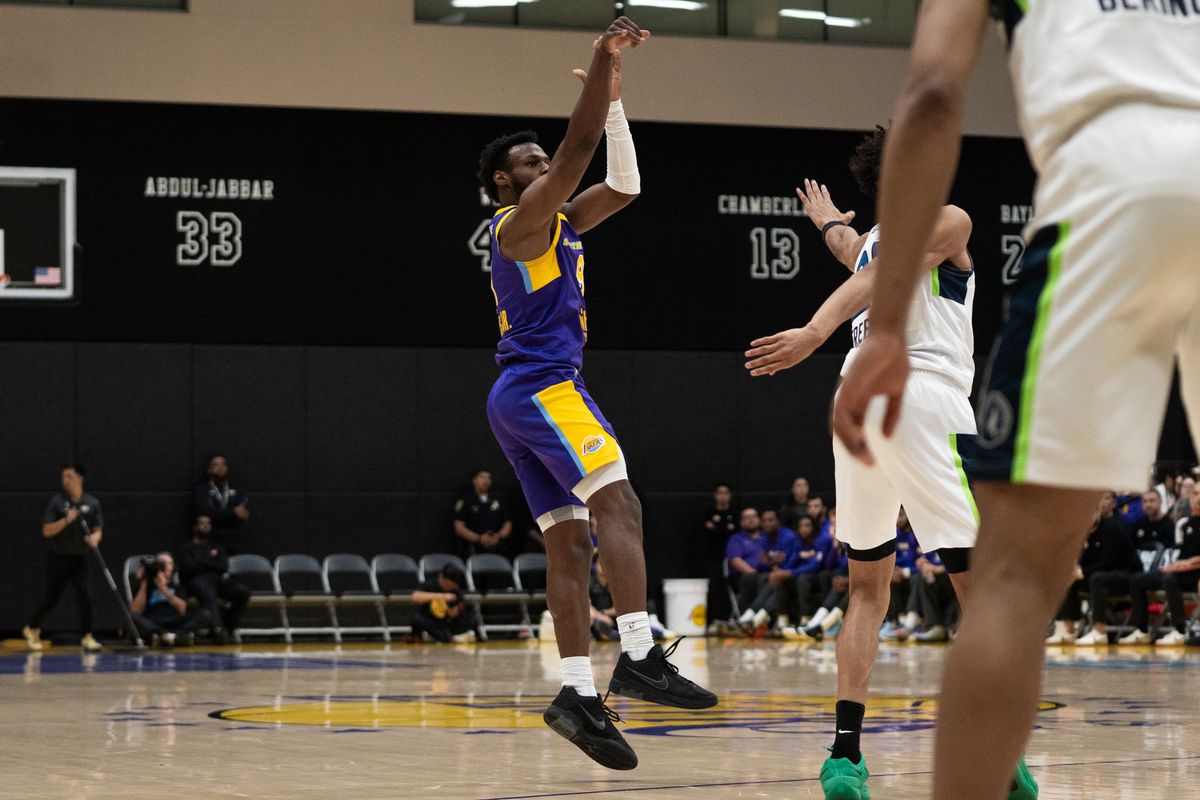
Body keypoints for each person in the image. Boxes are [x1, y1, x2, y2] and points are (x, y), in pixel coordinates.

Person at [830, 2, 1200, 797]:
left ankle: (865, 752)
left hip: (1114, 185)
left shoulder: (889, 235)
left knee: (1010, 579)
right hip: (933, 397)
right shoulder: (929, 227)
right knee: (961, 572)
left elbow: (930, 94)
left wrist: (873, 328)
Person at [745, 133, 1026, 798]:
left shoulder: (873, 234)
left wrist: (830, 223)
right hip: (921, 393)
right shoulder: (949, 219)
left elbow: (855, 255)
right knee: (981, 589)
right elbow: (876, 275)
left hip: (855, 400)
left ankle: (845, 758)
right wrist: (814, 331)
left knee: (868, 588)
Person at [477, 15, 714, 771]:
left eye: (543, 158)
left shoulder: (562, 224)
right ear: (503, 183)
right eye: (530, 161)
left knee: (571, 543)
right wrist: (599, 59)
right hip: (543, 387)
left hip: (521, 396)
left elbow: (626, 183)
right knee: (623, 504)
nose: (545, 164)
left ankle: (576, 693)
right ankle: (640, 651)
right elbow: (577, 156)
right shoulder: (517, 225)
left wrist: (612, 103)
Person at [24, 465, 104, 653]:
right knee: (52, 597)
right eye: (63, 477)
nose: (65, 480)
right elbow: (46, 530)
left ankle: (87, 636)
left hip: (80, 558)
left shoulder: (92, 503)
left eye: (69, 476)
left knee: (86, 596)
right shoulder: (57, 502)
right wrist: (67, 520)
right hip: (58, 558)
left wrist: (95, 538)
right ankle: (32, 628)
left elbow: (98, 528)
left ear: (80, 478)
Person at [1047, 493, 1141, 646]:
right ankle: (1067, 630)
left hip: (1127, 574)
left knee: (1095, 578)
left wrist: (1080, 572)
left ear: (1097, 512)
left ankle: (1099, 631)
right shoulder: (1081, 534)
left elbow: (1108, 563)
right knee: (1069, 578)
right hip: (1098, 575)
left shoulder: (1112, 528)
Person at [1121, 481, 1200, 646]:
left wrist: (1186, 564)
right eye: (1195, 494)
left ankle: (1180, 630)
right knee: (1138, 580)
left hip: (1195, 573)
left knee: (1170, 579)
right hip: (1183, 569)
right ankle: (1141, 630)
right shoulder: (1188, 523)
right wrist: (1178, 564)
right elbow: (1183, 553)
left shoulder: (1172, 524)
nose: (1197, 498)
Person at [177, 515, 250, 644]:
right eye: (202, 523)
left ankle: (227, 627)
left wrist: (201, 563)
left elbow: (223, 567)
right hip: (196, 582)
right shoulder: (186, 547)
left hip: (217, 581)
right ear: (195, 526)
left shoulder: (217, 547)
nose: (205, 526)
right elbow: (188, 568)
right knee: (207, 590)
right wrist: (210, 563)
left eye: (208, 523)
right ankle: (219, 630)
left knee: (242, 591)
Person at [129, 552, 207, 646]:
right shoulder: (146, 585)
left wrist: (163, 588)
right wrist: (143, 582)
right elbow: (136, 610)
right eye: (162, 563)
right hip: (153, 620)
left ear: (173, 567)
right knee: (131, 617)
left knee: (204, 614)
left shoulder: (176, 586)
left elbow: (182, 609)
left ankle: (166, 636)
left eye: (169, 563)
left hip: (174, 620)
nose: (165, 566)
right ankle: (169, 636)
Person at [193, 455, 250, 553]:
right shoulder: (202, 491)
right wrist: (232, 512)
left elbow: (242, 513)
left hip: (234, 540)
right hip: (211, 540)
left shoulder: (237, 490)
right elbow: (206, 513)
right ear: (209, 470)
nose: (221, 467)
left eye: (224, 464)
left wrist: (219, 513)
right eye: (216, 465)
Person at [453, 469, 513, 559]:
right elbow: (459, 527)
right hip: (472, 549)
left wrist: (498, 536)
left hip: (496, 548)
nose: (486, 481)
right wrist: (479, 538)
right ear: (474, 480)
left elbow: (507, 523)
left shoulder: (497, 501)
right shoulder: (466, 501)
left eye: (489, 478)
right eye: (482, 477)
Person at [410, 565, 479, 644]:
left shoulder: (455, 591)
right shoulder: (428, 585)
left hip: (447, 624)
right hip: (431, 622)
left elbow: (458, 607)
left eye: (450, 585)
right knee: (416, 619)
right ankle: (447, 638)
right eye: (446, 584)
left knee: (473, 619)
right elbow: (415, 597)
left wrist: (453, 611)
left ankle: (443, 637)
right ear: (441, 576)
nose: (448, 587)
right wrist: (442, 596)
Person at [703, 483, 739, 624]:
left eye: (726, 493)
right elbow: (710, 533)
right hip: (714, 556)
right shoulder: (709, 513)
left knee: (731, 586)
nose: (723, 496)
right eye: (720, 492)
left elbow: (731, 532)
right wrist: (725, 528)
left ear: (730, 495)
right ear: (715, 495)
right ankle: (716, 619)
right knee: (715, 586)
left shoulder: (734, 514)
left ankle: (732, 617)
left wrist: (717, 528)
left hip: (732, 557)